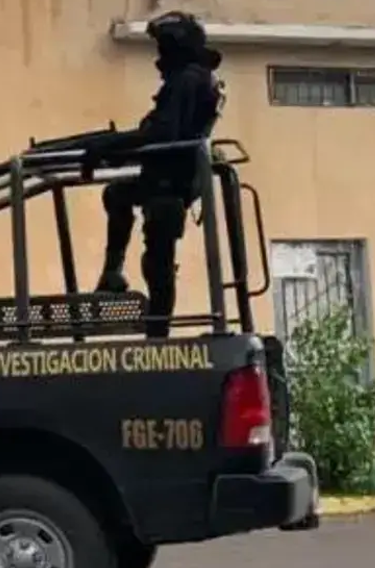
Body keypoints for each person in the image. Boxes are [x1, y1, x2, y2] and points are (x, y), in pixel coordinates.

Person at [92, 11, 223, 338]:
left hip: (170, 184)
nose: (158, 57)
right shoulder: (195, 78)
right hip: (168, 179)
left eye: (162, 47)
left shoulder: (187, 81)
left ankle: (157, 333)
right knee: (117, 195)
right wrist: (113, 148)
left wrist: (109, 146)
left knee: (158, 263)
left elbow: (162, 134)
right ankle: (113, 273)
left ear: (175, 47)